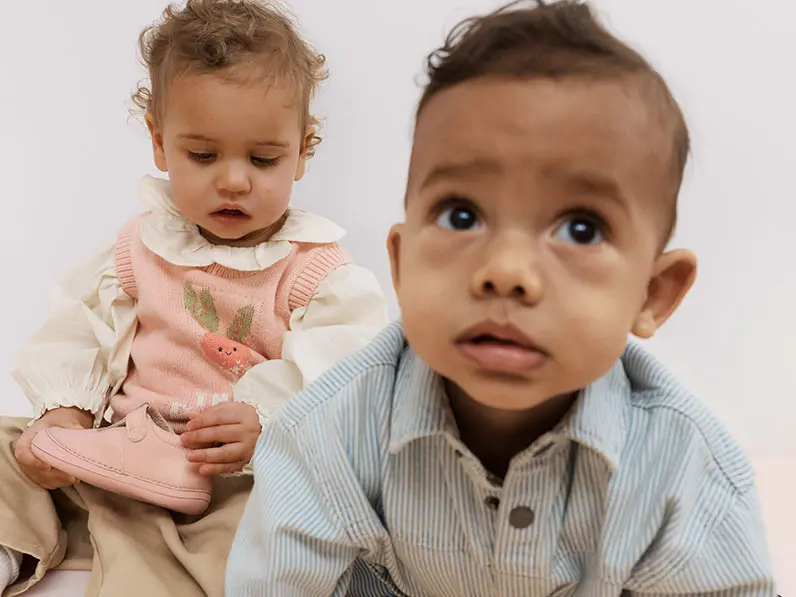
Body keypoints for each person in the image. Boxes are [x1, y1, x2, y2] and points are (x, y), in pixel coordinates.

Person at [225, 1, 777, 595]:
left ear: (652, 293)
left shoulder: (688, 474)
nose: (507, 272)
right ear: (403, 263)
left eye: (581, 228)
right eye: (462, 216)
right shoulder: (329, 432)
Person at [0, 0, 387, 595]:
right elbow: (83, 324)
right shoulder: (139, 249)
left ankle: (151, 563)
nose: (233, 179)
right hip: (115, 449)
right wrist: (65, 408)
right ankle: (9, 543)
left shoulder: (314, 271)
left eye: (263, 158)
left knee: (249, 539)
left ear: (304, 151)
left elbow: (346, 376)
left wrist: (266, 424)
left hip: (225, 476)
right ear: (159, 142)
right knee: (8, 448)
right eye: (202, 155)